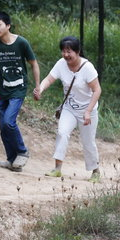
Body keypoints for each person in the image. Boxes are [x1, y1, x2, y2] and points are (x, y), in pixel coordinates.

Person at [33, 36, 102, 182]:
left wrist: (88, 111)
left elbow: (97, 90)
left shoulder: (87, 68)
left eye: (69, 51)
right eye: (63, 51)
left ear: (77, 52)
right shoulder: (61, 64)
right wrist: (40, 89)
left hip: (87, 109)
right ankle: (57, 169)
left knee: (88, 141)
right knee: (62, 133)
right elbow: (49, 79)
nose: (66, 55)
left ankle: (95, 171)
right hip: (69, 108)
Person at [0, 11, 40, 172]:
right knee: (3, 127)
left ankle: (22, 151)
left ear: (8, 25)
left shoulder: (21, 42)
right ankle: (12, 160)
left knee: (9, 121)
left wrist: (37, 86)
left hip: (18, 89)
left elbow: (34, 64)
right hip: (3, 91)